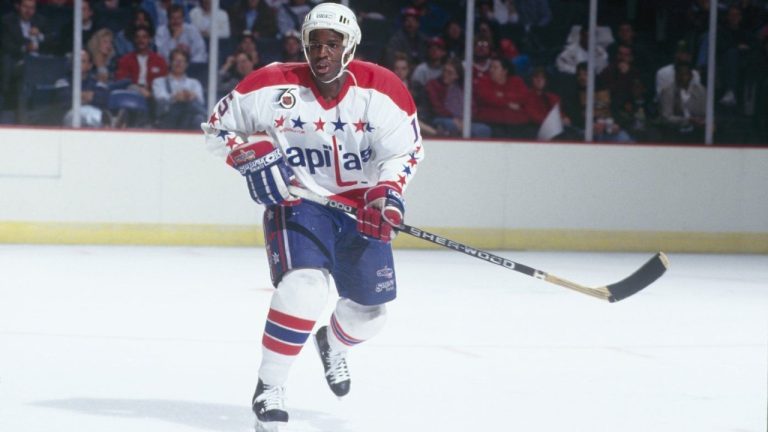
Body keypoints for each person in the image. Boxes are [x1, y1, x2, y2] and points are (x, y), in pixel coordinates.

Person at [201, 3, 424, 431]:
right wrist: (248, 155)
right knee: (304, 287)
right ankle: (270, 386)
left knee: (370, 315)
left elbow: (405, 151)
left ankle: (333, 343)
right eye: (314, 44)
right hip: (299, 201)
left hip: (360, 208)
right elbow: (216, 128)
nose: (322, 53)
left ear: (350, 47)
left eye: (332, 44)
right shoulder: (271, 85)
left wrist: (388, 195)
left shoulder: (382, 90)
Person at [153, 48, 206, 130]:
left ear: (187, 64)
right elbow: (160, 98)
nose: (179, 64)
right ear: (170, 63)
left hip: (188, 118)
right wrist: (175, 97)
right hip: (168, 120)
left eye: (182, 61)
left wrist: (191, 96)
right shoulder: (159, 81)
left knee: (198, 117)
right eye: (176, 61)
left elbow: (201, 102)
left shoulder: (194, 83)